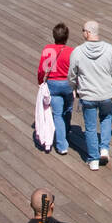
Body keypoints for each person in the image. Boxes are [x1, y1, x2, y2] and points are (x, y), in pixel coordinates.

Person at [67, 20, 112, 170]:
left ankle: (93, 159)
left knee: (90, 127)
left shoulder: (78, 51)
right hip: (105, 93)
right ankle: (104, 148)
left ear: (88, 32)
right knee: (105, 119)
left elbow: (72, 74)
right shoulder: (110, 49)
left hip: (87, 95)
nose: (82, 32)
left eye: (83, 30)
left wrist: (75, 87)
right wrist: (110, 80)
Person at [38, 23, 75, 156]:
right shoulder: (71, 51)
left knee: (57, 114)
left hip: (53, 83)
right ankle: (67, 129)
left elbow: (42, 69)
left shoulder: (48, 49)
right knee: (68, 108)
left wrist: (40, 82)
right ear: (67, 37)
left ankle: (61, 145)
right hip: (67, 84)